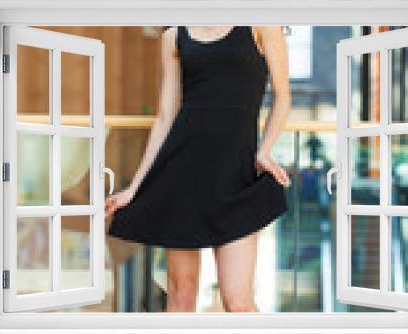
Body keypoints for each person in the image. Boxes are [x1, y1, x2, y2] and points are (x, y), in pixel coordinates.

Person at [105, 26, 291, 312]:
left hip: (237, 178)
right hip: (182, 176)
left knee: (238, 301)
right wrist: (135, 188)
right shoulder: (173, 36)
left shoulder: (262, 24)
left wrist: (265, 150)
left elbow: (283, 96)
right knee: (181, 295)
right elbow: (166, 117)